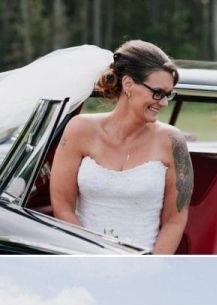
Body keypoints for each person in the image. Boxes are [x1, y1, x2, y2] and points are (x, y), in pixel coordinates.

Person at [50, 40, 193, 253]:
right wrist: (90, 257)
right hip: (81, 256)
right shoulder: (79, 129)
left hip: (144, 266)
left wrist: (152, 266)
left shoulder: (173, 141)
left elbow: (175, 220)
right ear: (128, 84)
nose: (163, 103)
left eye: (168, 95)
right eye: (158, 93)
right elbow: (62, 207)